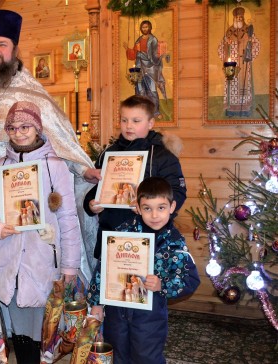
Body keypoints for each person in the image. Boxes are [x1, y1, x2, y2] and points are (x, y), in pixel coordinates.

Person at [0, 9, 98, 283]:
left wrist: (83, 169)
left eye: (2, 45)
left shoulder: (31, 90)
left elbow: (59, 135)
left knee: (18, 249)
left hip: (22, 187)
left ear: (15, 49)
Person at [0, 101, 81, 364]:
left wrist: (70, 266)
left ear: (37, 128)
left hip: (42, 261)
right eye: (13, 128)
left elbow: (68, 217)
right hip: (10, 259)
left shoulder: (54, 165)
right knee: (19, 333)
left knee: (44, 334)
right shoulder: (1, 165)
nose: (19, 132)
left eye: (25, 126)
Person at [88, 177, 200, 364]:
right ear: (138, 208)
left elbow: (189, 280)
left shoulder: (174, 242)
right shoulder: (122, 233)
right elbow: (103, 268)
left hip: (150, 316)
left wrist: (162, 285)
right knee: (116, 355)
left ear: (172, 207)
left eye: (161, 207)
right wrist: (96, 303)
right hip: (117, 311)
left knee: (147, 357)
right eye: (147, 208)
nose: (154, 215)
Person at [84, 95, 187, 260]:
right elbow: (98, 187)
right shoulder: (109, 152)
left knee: (144, 283)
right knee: (109, 282)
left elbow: (177, 192)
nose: (128, 126)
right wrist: (91, 204)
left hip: (149, 235)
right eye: (124, 120)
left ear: (150, 123)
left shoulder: (163, 155)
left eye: (136, 121)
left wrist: (148, 206)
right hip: (110, 233)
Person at [217, 6, 260, 117]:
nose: (239, 19)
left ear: (243, 17)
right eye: (237, 17)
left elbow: (256, 45)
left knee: (245, 86)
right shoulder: (229, 32)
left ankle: (245, 109)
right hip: (232, 65)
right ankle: (231, 110)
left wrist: (249, 52)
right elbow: (221, 47)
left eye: (241, 17)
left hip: (245, 64)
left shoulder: (248, 31)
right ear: (234, 18)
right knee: (232, 86)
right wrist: (226, 45)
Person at [123, 20, 167, 117]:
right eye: (143, 27)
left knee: (152, 90)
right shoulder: (138, 40)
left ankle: (155, 112)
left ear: (150, 28)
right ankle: (141, 112)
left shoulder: (153, 40)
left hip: (150, 68)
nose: (145, 29)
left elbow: (154, 55)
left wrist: (157, 55)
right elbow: (134, 54)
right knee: (140, 90)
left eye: (146, 27)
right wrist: (128, 49)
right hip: (139, 67)